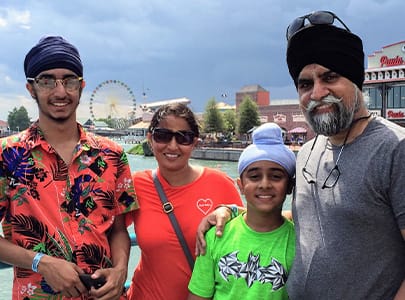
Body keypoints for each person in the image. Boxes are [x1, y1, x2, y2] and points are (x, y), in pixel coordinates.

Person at [197, 10, 405, 299]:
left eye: (330, 77)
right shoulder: (308, 151)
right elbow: (309, 217)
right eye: (305, 84)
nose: (317, 92)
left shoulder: (395, 149)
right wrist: (232, 213)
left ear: (356, 81)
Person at [0, 36, 139, 299]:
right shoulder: (7, 155)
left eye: (69, 80)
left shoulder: (112, 155)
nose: (60, 91)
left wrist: (120, 270)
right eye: (47, 80)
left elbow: (119, 229)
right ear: (31, 88)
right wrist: (41, 262)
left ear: (82, 86)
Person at [125, 102, 243, 300]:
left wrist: (231, 211)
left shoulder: (220, 183)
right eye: (163, 136)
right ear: (150, 139)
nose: (172, 146)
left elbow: (252, 230)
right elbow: (110, 229)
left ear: (194, 142)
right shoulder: (135, 185)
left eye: (183, 138)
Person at [187, 122, 296, 300]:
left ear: (290, 186)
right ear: (240, 186)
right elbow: (198, 296)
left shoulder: (299, 243)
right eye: (254, 176)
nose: (264, 184)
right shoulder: (216, 236)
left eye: (276, 176)